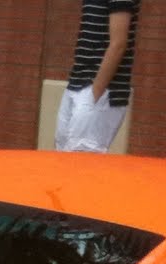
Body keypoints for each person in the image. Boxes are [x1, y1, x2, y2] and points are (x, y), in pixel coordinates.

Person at [55, 0, 139, 154]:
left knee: (82, 164)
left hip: (99, 91)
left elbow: (118, 43)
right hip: (77, 85)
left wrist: (94, 94)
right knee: (63, 160)